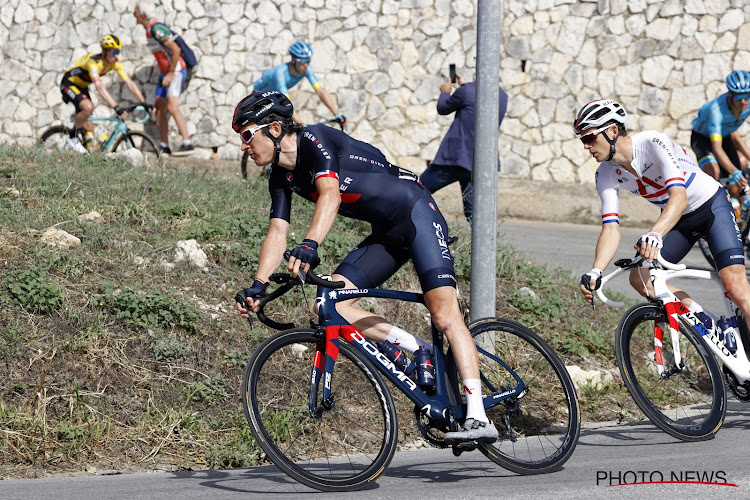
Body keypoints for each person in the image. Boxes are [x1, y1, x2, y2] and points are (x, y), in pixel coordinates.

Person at [233, 91, 497, 442]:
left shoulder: (315, 139)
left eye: (248, 135)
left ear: (276, 129)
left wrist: (311, 245)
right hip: (387, 233)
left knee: (445, 315)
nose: (243, 146)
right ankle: (419, 349)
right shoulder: (281, 178)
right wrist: (259, 284)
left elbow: (331, 193)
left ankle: (478, 417)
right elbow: (277, 231)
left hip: (417, 214)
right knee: (331, 305)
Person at [575, 99, 750, 326]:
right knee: (640, 279)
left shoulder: (652, 142)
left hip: (711, 206)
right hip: (680, 220)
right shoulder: (605, 174)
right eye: (582, 140)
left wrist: (655, 233)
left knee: (736, 287)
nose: (586, 146)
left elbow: (679, 196)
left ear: (612, 130)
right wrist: (596, 271)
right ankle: (710, 326)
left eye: (589, 138)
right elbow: (610, 228)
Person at [419, 71, 508, 224]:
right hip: (480, 163)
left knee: (417, 191)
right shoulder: (502, 96)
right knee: (474, 213)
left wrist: (446, 92)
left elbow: (443, 107)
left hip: (455, 158)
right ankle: (482, 247)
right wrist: (462, 88)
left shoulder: (466, 91)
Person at [60, 34, 150, 154]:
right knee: (88, 107)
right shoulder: (93, 63)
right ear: (104, 51)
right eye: (113, 52)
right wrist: (116, 107)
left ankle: (86, 154)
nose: (116, 55)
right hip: (68, 83)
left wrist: (144, 102)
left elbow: (129, 82)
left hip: (82, 87)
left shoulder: (115, 63)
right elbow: (99, 87)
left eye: (117, 51)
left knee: (89, 126)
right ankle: (72, 137)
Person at [134, 2, 194, 156]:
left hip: (176, 70)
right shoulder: (149, 29)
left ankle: (187, 143)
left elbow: (175, 49)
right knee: (159, 106)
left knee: (172, 106)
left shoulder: (156, 28)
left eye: (136, 11)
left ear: (143, 14)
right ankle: (164, 144)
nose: (134, 14)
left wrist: (171, 73)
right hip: (164, 72)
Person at [252, 41, 346, 127]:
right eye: (303, 61)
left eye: (308, 61)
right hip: (257, 97)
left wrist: (336, 114)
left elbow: (320, 91)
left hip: (274, 97)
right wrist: (301, 124)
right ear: (294, 60)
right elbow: (286, 102)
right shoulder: (280, 74)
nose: (306, 65)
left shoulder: (306, 69)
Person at [691, 70, 750, 198]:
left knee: (738, 188)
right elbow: (717, 148)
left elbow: (736, 137)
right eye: (738, 97)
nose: (743, 102)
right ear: (729, 94)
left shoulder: (746, 105)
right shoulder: (716, 111)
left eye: (747, 96)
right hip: (702, 139)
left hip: (726, 136)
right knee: (713, 172)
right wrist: (733, 171)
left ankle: (740, 216)